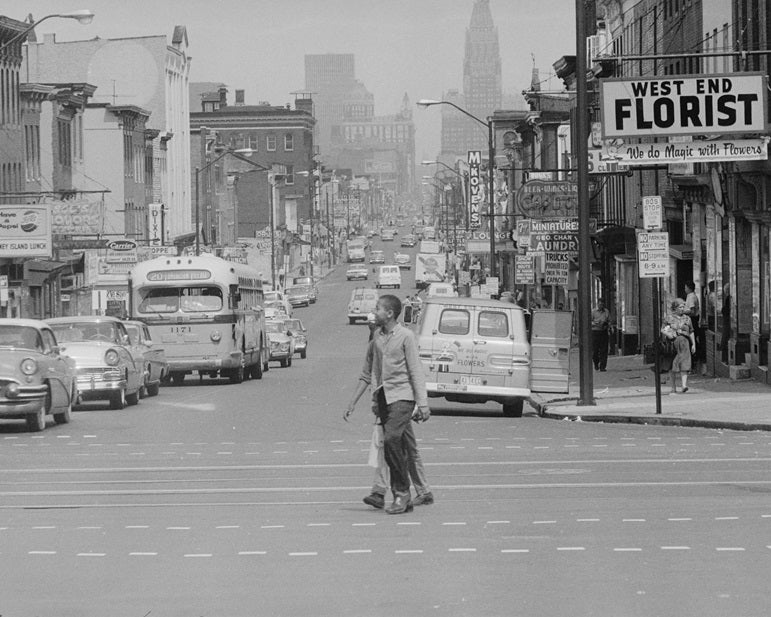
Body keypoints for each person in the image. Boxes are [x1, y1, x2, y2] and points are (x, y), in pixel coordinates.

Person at [345, 295, 431, 514]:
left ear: (390, 313)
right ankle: (417, 492)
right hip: (384, 398)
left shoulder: (406, 337)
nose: (374, 312)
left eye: (378, 309)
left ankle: (401, 494)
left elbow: (415, 370)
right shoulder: (377, 337)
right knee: (402, 446)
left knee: (392, 440)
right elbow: (370, 372)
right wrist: (355, 402)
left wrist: (422, 404)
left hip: (403, 397)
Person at [663, 299, 696, 394]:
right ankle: (673, 387)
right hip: (672, 344)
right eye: (680, 307)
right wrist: (668, 334)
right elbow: (663, 329)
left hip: (684, 343)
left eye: (683, 307)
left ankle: (684, 385)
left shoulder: (687, 319)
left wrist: (693, 344)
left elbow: (691, 331)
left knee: (684, 363)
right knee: (672, 365)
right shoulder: (669, 318)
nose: (682, 309)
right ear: (675, 308)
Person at [684, 281, 701, 372]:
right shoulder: (690, 296)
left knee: (691, 341)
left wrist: (682, 312)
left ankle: (693, 363)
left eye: (686, 287)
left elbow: (692, 310)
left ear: (689, 288)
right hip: (692, 320)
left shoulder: (691, 297)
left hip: (692, 320)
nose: (685, 289)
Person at [591, 299, 610, 371]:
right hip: (595, 332)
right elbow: (589, 321)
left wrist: (606, 325)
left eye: (602, 305)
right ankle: (596, 363)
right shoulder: (593, 312)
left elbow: (609, 320)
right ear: (597, 304)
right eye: (600, 304)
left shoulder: (606, 311)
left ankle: (603, 366)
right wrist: (595, 323)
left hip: (603, 332)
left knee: (604, 350)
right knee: (595, 350)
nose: (601, 306)